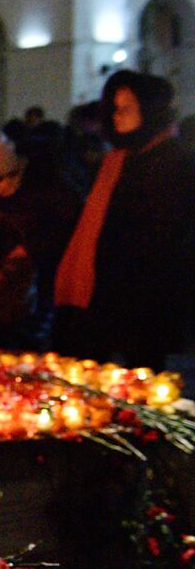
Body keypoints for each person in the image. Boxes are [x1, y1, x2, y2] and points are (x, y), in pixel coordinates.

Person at [54, 70, 195, 370]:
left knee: (142, 370)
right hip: (105, 286)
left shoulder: (174, 161)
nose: (117, 116)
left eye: (126, 108)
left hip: (148, 291)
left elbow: (170, 232)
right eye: (114, 108)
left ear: (150, 109)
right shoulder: (117, 159)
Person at [0, 133, 80, 350]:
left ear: (13, 168)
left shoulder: (48, 182)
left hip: (43, 277)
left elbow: (71, 225)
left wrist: (30, 248)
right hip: (3, 284)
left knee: (31, 341)